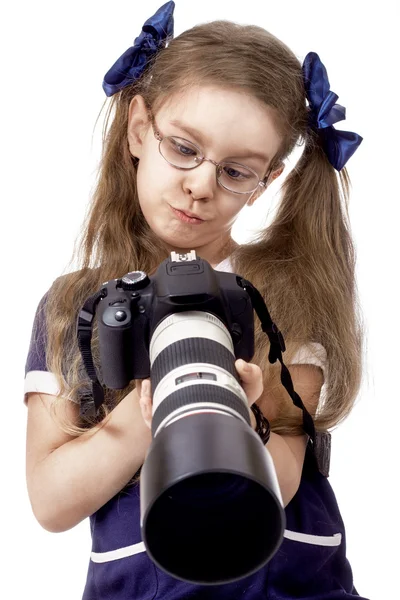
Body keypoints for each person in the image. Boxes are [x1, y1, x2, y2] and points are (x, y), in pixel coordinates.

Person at [24, 2, 368, 598]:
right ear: (139, 129)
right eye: (183, 147)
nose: (201, 185)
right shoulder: (78, 306)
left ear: (270, 180)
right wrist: (147, 410)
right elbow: (51, 502)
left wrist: (243, 416)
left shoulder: (286, 295)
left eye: (237, 171)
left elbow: (283, 478)